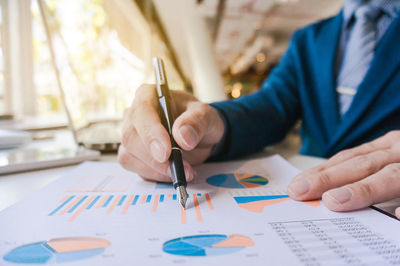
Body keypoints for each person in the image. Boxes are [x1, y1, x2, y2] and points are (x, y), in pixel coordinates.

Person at [118, 0, 400, 218]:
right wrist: (211, 121)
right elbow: (271, 106)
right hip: (305, 200)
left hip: (386, 208)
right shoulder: (309, 39)